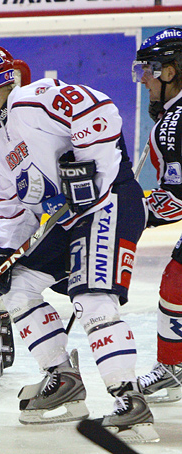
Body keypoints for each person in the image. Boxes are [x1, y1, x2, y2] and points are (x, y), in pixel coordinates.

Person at [0, 44, 159, 443]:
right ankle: (62, 377)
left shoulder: (30, 100)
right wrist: (1, 254)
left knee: (91, 297)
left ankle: (129, 399)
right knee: (16, 287)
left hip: (108, 203)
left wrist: (89, 167)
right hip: (67, 221)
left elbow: (100, 110)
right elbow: (11, 209)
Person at [132, 28, 182, 403]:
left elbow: (177, 198)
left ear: (171, 71)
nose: (144, 78)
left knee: (176, 282)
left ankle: (172, 368)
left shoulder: (174, 123)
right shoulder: (172, 115)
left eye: (150, 68)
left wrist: (132, 211)